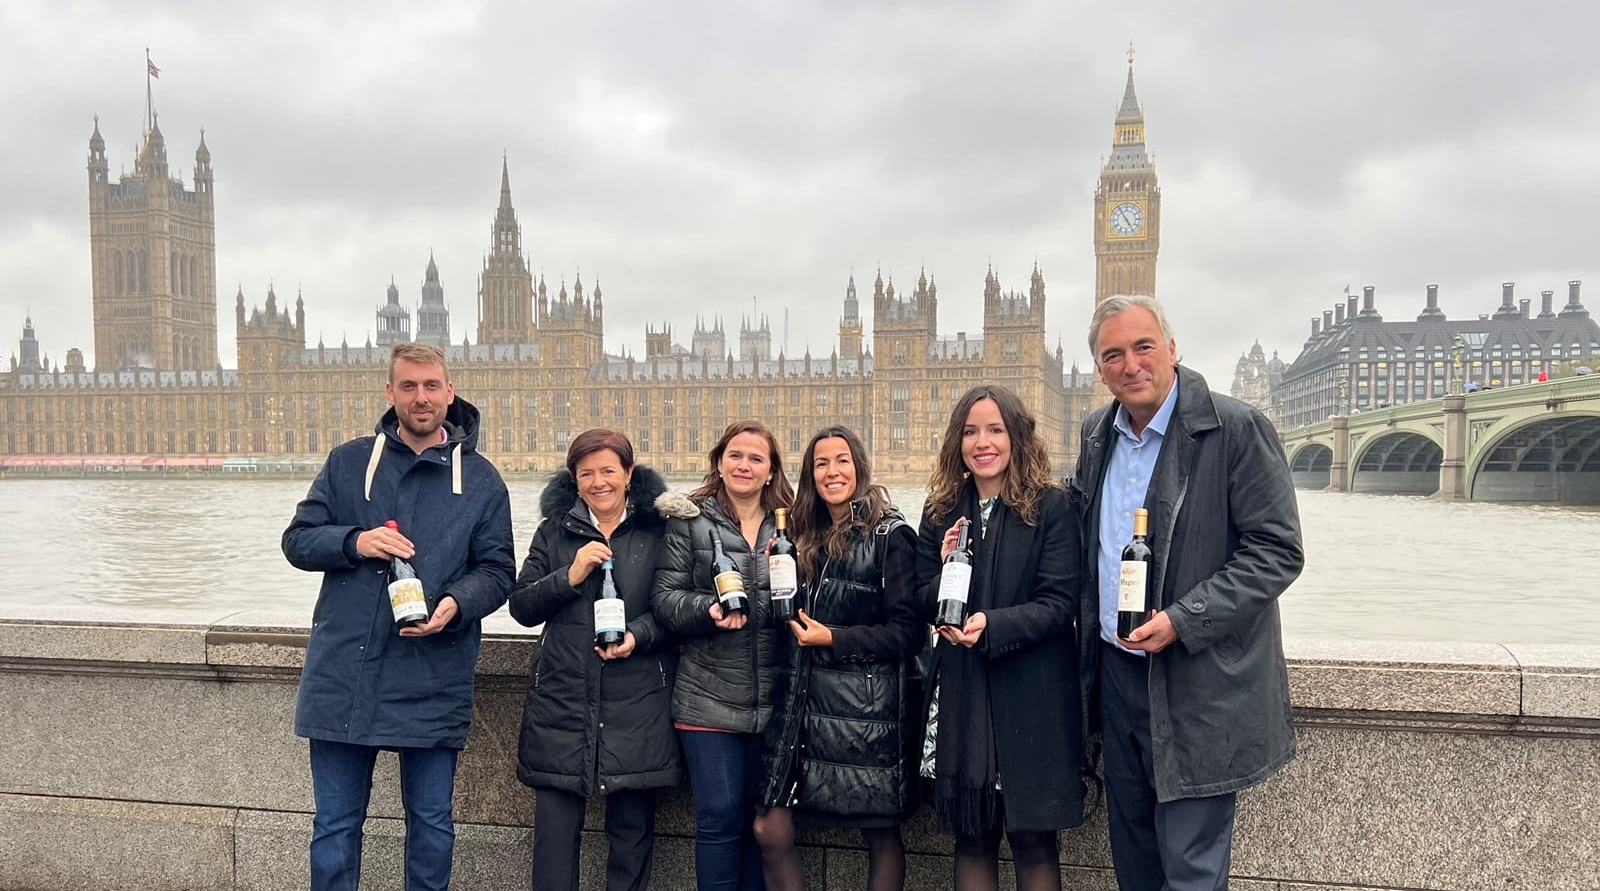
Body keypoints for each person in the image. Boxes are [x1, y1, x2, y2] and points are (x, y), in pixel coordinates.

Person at [1072, 295, 1304, 891]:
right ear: (1099, 369)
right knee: (1136, 866)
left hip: (1194, 681)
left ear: (1172, 348)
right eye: (1113, 354)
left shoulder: (1236, 428)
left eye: (1144, 346)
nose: (1131, 364)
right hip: (1117, 679)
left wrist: (1182, 618)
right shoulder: (1097, 433)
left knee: (1192, 869)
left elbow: (1277, 552)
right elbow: (1072, 535)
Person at [282, 341, 516, 891]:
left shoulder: (481, 480)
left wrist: (455, 606)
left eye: (431, 386)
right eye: (408, 386)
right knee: (335, 827)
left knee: (432, 826)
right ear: (390, 393)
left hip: (432, 674)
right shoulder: (347, 463)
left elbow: (499, 571)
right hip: (346, 673)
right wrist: (354, 540)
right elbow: (296, 541)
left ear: (449, 392)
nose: (420, 397)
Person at [915, 385, 1084, 891]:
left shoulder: (1051, 507)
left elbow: (1059, 604)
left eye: (995, 430)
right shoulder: (942, 509)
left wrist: (994, 625)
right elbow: (920, 599)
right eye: (970, 432)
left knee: (1033, 842)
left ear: (1017, 437)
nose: (981, 442)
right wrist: (945, 566)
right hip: (963, 694)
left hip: (1029, 693)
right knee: (972, 838)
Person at [753, 425, 925, 891]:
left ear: (859, 466)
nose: (832, 471)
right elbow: (781, 619)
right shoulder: (800, 534)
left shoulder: (892, 534)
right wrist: (773, 578)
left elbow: (910, 633)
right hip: (803, 706)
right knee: (770, 827)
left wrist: (834, 638)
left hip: (865, 712)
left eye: (842, 460)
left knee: (880, 831)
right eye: (822, 462)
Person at [509, 429, 680, 891]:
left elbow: (674, 612)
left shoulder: (658, 532)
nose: (598, 482)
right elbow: (522, 607)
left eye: (608, 470)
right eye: (587, 473)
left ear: (628, 474)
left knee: (631, 841)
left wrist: (637, 636)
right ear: (574, 479)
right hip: (562, 705)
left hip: (638, 704)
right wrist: (570, 574)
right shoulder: (554, 532)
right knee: (554, 843)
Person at [653, 420, 796, 891]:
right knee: (718, 820)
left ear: (772, 471)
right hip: (706, 699)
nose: (744, 465)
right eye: (735, 455)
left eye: (757, 458)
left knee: (761, 825)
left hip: (774, 699)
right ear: (719, 461)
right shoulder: (689, 520)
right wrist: (706, 610)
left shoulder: (792, 525)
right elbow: (666, 599)